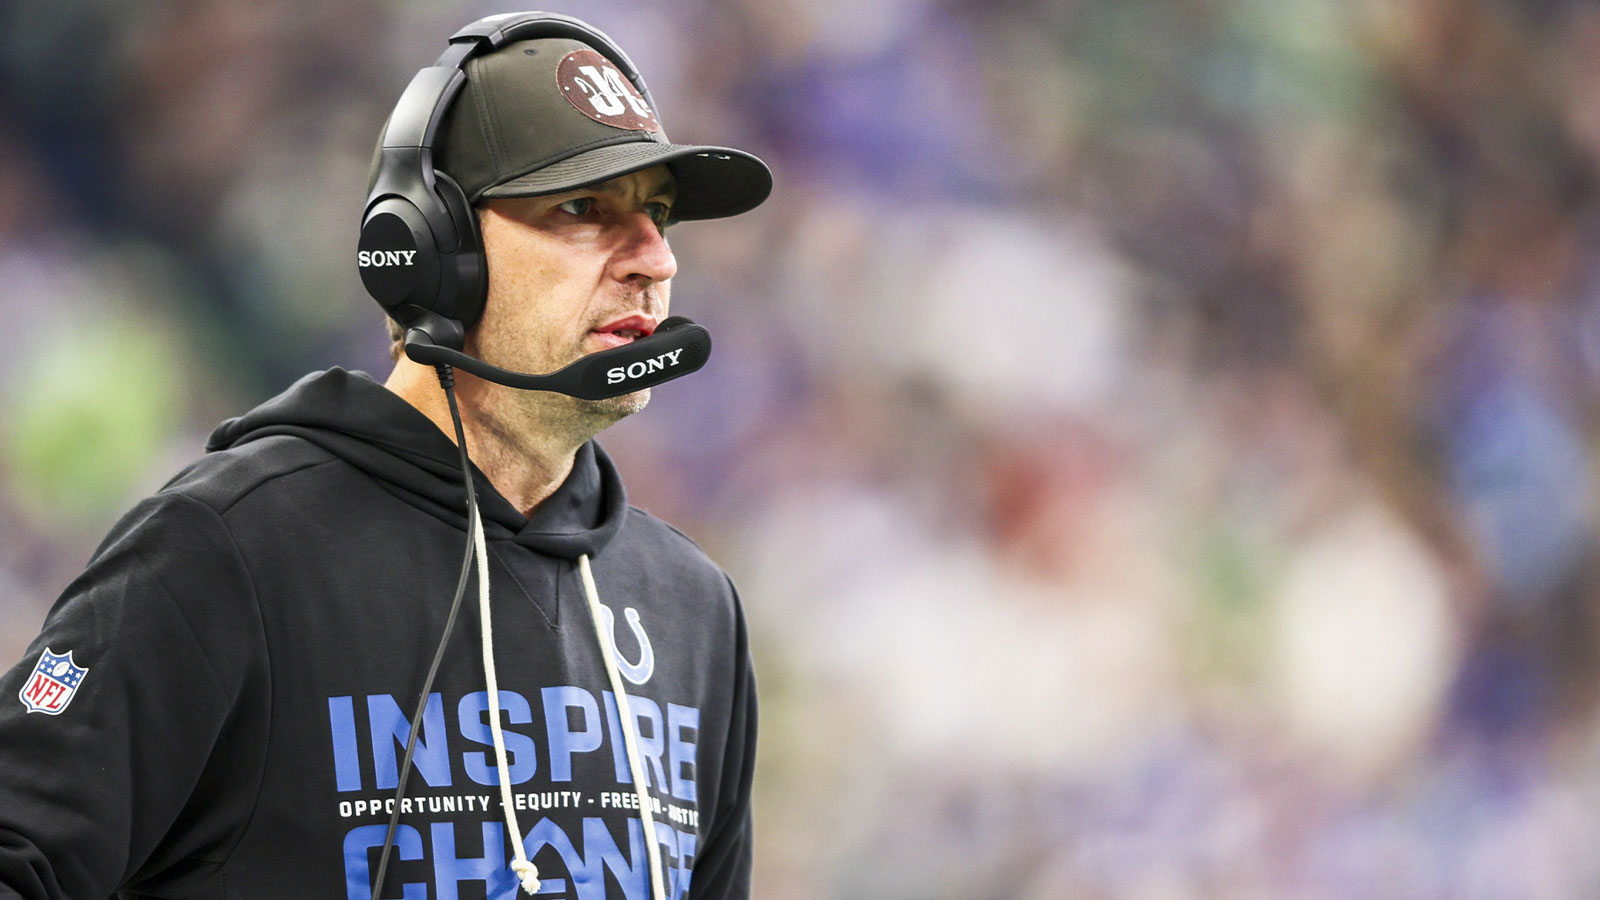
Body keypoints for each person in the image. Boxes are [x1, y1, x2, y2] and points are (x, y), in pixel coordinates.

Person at [0, 12, 769, 900]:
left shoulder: (694, 611)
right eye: (583, 209)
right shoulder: (228, 550)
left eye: (659, 215)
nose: (654, 259)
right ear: (432, 255)